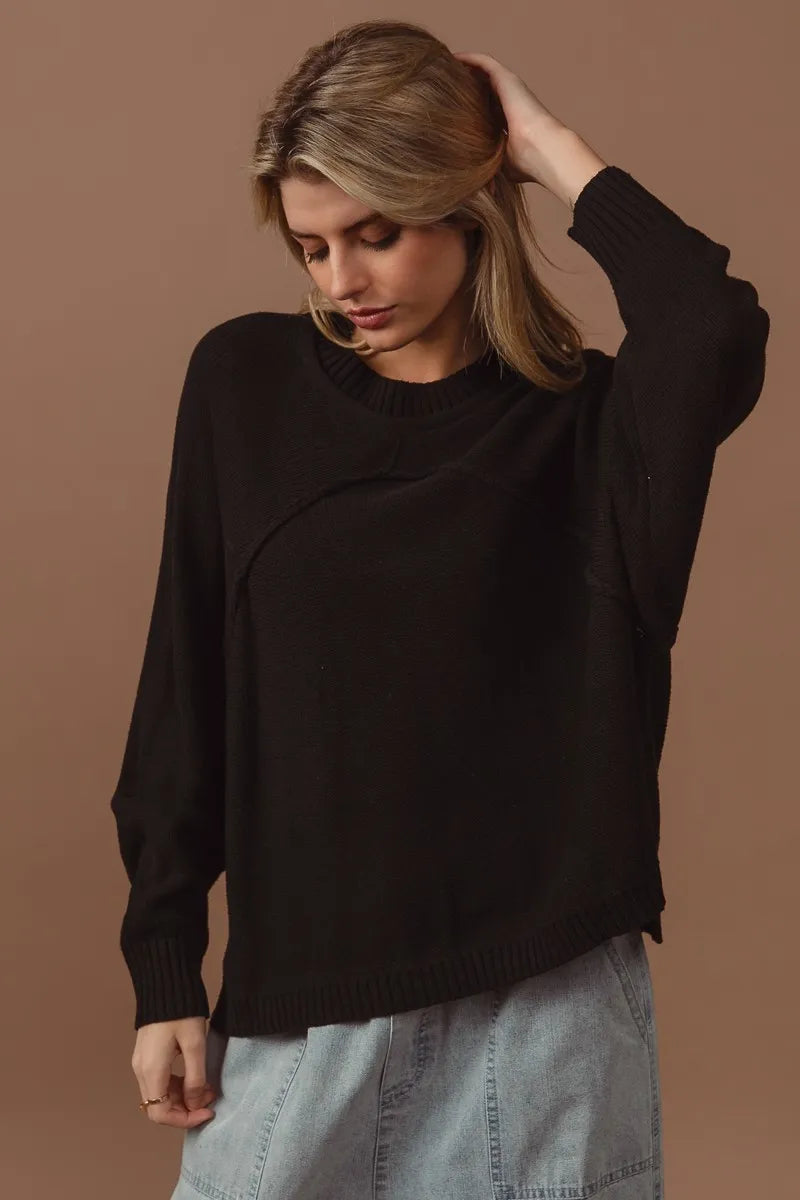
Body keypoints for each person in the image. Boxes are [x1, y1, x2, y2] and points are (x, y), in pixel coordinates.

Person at [110, 19, 770, 1200]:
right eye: (311, 246)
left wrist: (542, 144)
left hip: (545, 1011)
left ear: (467, 207)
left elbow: (708, 323)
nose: (341, 282)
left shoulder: (588, 429)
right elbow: (183, 689)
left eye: (377, 234)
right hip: (304, 1009)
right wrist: (164, 967)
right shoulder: (242, 386)